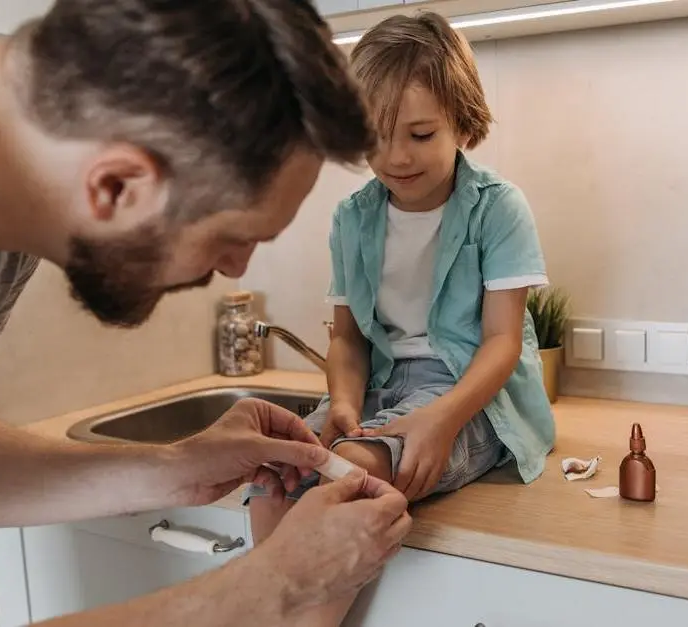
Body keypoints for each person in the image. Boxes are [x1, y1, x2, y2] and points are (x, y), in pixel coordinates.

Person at [0, 1, 413, 626]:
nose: (236, 269)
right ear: (117, 186)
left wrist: (171, 469)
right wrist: (277, 583)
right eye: (233, 236)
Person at [246, 11, 556, 625]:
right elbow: (349, 340)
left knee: (346, 479)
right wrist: (341, 402)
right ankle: (273, 616)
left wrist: (439, 421)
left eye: (419, 135)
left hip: (469, 397)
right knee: (275, 473)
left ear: (463, 122)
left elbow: (501, 343)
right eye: (377, 135)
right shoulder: (352, 219)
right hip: (384, 387)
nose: (395, 156)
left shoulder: (498, 209)